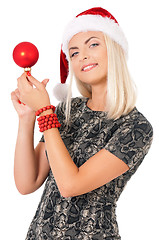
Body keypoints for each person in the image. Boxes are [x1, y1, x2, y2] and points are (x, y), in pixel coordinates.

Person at [11, 7, 153, 240]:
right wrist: (27, 117)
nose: (83, 56)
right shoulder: (69, 111)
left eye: (93, 44)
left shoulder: (136, 127)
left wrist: (44, 111)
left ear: (115, 49)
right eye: (74, 53)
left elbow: (70, 185)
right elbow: (27, 182)